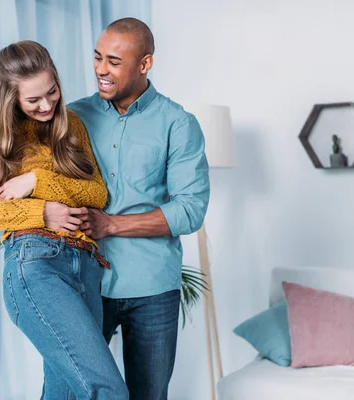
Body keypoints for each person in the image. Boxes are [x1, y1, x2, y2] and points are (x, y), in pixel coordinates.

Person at [0, 40, 128, 400]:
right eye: (33, 100)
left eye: (52, 92)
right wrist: (40, 211)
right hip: (36, 263)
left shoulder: (69, 122)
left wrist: (36, 182)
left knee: (67, 394)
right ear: (10, 98)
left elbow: (97, 193)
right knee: (109, 391)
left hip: (87, 267)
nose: (46, 105)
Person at [69, 18, 210, 399]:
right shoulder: (71, 118)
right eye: (97, 58)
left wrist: (110, 224)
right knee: (71, 391)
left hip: (152, 289)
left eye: (114, 61)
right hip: (83, 283)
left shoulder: (178, 124)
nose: (101, 69)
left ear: (144, 64)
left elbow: (189, 210)